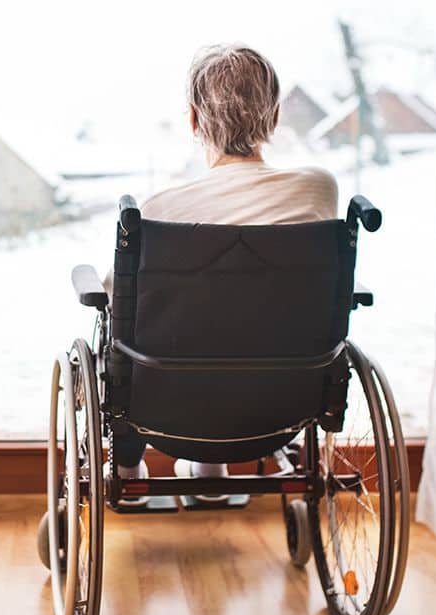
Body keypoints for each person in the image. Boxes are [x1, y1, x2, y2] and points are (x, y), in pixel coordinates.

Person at [113, 44, 338, 505]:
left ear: (194, 121)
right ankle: (210, 467)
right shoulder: (318, 190)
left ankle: (126, 469)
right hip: (282, 406)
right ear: (274, 118)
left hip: (170, 408)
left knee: (124, 341)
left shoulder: (161, 211)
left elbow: (121, 302)